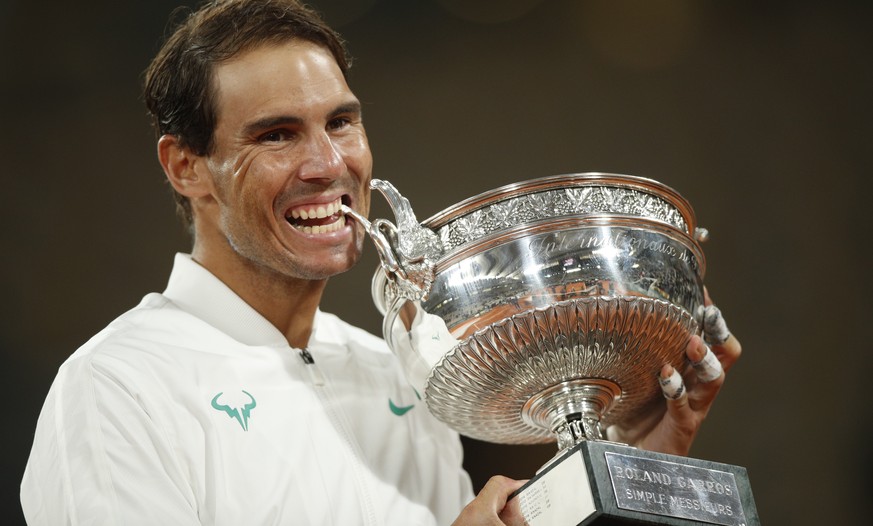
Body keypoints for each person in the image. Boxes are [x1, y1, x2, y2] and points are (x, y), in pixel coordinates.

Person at [20, 1, 742, 524]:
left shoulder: (400, 371)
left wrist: (626, 464)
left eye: (340, 121)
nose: (328, 163)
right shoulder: (115, 390)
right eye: (276, 135)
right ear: (187, 167)